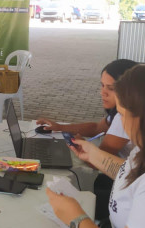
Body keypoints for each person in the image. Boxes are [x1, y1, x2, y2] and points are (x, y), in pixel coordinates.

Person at [46, 64, 145, 228]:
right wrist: (92, 154)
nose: (120, 122)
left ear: (143, 118)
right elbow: (130, 171)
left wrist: (76, 219)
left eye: (121, 114)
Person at [38, 59, 137, 221]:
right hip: (120, 180)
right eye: (102, 85)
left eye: (110, 88)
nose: (102, 92)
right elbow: (97, 128)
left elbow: (98, 162)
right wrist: (60, 127)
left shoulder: (125, 117)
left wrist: (77, 218)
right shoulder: (141, 152)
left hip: (117, 187)